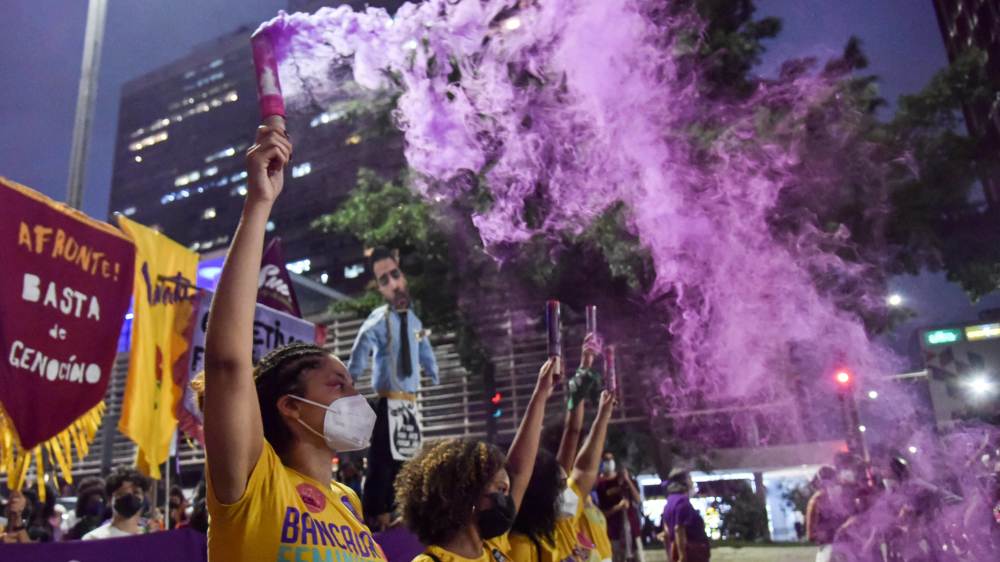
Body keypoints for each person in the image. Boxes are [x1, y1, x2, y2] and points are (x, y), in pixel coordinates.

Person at [202, 124, 384, 562]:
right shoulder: (253, 480)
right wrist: (259, 204)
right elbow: (228, 363)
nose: (356, 397)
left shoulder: (348, 503)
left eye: (352, 384)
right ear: (290, 406)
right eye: (337, 384)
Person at [395, 356, 560, 562]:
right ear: (464, 495)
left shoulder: (493, 548)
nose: (507, 502)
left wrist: (541, 394)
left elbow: (518, 471)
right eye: (500, 491)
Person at [348, 246, 440, 531]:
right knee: (382, 459)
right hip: (388, 401)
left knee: (407, 457)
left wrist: (432, 368)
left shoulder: (415, 321)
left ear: (404, 276)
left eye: (395, 275)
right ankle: (378, 513)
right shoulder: (378, 319)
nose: (393, 284)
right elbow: (362, 344)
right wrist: (351, 376)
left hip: (410, 403)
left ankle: (404, 510)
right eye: (384, 280)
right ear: (379, 288)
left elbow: (423, 345)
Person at [509, 389, 617, 562]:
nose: (567, 492)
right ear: (540, 495)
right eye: (560, 486)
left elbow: (584, 469)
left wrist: (603, 415)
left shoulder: (562, 526)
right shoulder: (518, 548)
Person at [554, 335, 613, 562]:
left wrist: (603, 415)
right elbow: (572, 433)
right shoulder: (562, 510)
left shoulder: (579, 499)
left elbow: (574, 434)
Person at [596, 452, 642, 562]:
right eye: (606, 460)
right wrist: (618, 507)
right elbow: (602, 512)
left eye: (611, 459)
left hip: (632, 529)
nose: (609, 462)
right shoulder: (601, 485)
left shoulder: (624, 480)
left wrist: (627, 480)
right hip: (614, 532)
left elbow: (638, 499)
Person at [82, 467, 151, 540]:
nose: (130, 497)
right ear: (110, 499)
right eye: (122, 493)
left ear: (143, 497)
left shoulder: (148, 537)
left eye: (136, 492)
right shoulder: (95, 539)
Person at [660, 472, 709, 562]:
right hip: (691, 553)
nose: (692, 483)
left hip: (676, 550)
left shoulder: (669, 502)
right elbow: (679, 528)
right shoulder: (682, 501)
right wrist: (682, 556)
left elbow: (666, 530)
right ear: (685, 482)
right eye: (690, 479)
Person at [805, 466, 849, 562]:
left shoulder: (816, 500)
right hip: (841, 548)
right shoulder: (843, 496)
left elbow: (811, 534)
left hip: (828, 549)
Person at [65, 476, 107, 540]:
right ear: (83, 503)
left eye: (99, 500)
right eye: (91, 500)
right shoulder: (76, 531)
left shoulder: (113, 526)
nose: (96, 503)